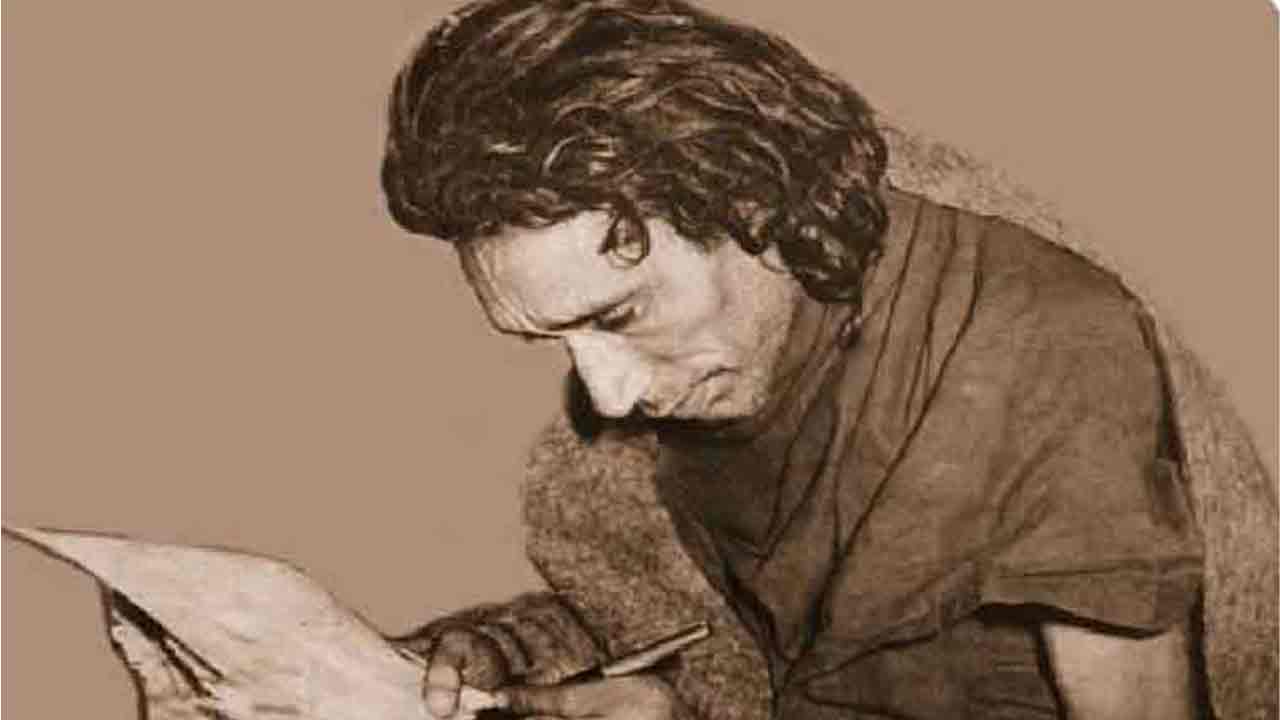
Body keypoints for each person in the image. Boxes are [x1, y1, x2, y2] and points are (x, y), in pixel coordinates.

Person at [380, 1, 1207, 717]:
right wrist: (510, 652)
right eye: (553, 339)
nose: (608, 395)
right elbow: (679, 623)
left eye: (621, 314)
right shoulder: (676, 400)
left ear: (746, 197)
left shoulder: (1040, 341)